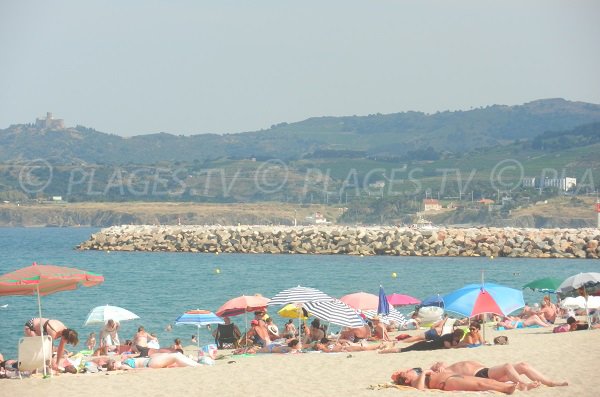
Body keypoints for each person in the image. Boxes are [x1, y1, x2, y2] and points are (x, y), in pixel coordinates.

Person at [429, 360, 568, 389]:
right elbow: (431, 369)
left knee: (523, 365)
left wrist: (440, 364)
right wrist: (438, 368)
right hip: (481, 375)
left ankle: (550, 383)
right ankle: (523, 384)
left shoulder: (444, 365)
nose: (438, 365)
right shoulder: (443, 373)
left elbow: (439, 361)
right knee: (507, 365)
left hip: (488, 371)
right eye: (437, 366)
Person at [391, 367, 517, 394]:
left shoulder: (416, 375)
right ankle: (506, 389)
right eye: (406, 372)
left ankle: (510, 386)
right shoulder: (415, 381)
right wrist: (424, 373)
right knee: (479, 384)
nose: (408, 370)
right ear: (407, 380)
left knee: (484, 381)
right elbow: (420, 389)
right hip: (448, 382)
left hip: (452, 375)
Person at [379, 329, 464, 354]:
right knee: (402, 350)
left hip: (426, 345)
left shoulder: (450, 336)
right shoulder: (449, 337)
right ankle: (383, 351)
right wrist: (455, 345)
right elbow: (447, 346)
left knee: (403, 349)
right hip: (424, 346)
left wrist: (455, 342)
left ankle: (384, 350)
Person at [107, 352, 199, 370]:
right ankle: (196, 366)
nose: (116, 362)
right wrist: (148, 369)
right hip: (149, 364)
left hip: (150, 361)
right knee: (175, 356)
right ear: (114, 366)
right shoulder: (122, 366)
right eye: (114, 363)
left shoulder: (123, 362)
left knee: (176, 356)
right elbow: (134, 370)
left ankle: (195, 364)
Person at [313, 338, 382, 353]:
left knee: (362, 348)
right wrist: (340, 347)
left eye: (319, 343)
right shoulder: (325, 350)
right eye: (318, 345)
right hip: (345, 348)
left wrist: (336, 343)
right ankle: (378, 347)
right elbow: (331, 351)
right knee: (362, 348)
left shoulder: (326, 346)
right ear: (318, 348)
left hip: (345, 347)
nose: (320, 344)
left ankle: (378, 346)